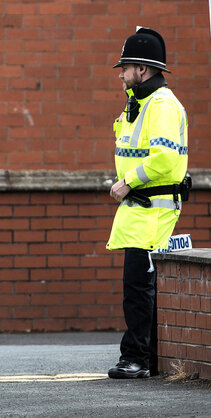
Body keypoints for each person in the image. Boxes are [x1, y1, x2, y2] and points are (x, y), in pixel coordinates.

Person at [107, 27, 189, 379]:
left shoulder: (162, 105)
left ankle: (136, 358)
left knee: (138, 289)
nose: (121, 74)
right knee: (140, 287)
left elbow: (165, 159)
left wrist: (128, 181)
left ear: (142, 69)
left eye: (125, 67)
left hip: (151, 209)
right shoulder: (141, 103)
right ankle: (149, 357)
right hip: (141, 209)